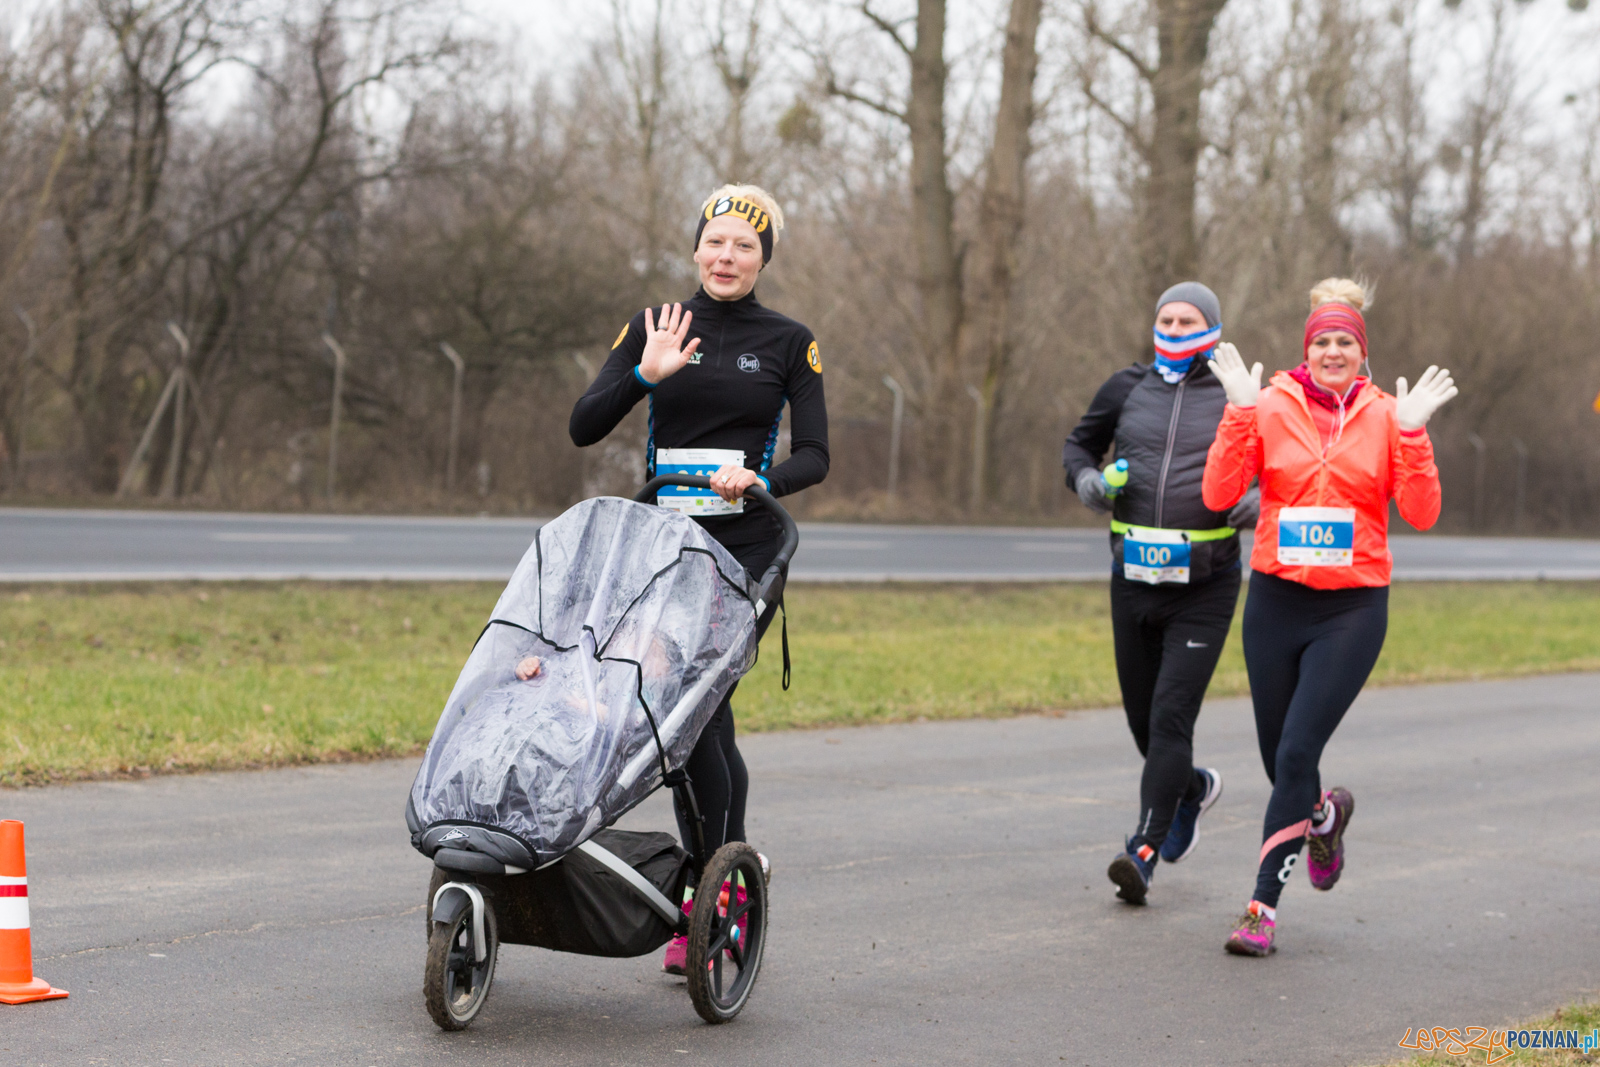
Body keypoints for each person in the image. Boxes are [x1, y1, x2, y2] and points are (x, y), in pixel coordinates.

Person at [569, 183, 828, 973]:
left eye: (745, 245)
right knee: (687, 727)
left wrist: (761, 480)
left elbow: (817, 455)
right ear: (695, 249)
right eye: (715, 241)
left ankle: (710, 902)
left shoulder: (790, 341)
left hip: (745, 551)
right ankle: (725, 881)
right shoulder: (655, 325)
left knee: (699, 715)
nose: (727, 255)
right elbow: (584, 425)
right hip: (662, 549)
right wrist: (644, 376)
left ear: (762, 259)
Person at [1202, 278, 1456, 956]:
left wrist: (1414, 433)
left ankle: (1260, 910)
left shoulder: (1387, 414)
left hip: (1351, 608)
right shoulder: (1268, 404)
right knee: (1279, 759)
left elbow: (1422, 513)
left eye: (1346, 341)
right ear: (1306, 349)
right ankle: (1321, 816)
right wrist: (1238, 413)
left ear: (1362, 352)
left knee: (1295, 753)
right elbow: (1219, 494)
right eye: (1323, 342)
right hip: (1276, 601)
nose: (1334, 351)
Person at [1062, 281, 1258, 906]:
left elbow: (1286, 464)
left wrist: (1260, 499)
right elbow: (1078, 446)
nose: (1174, 330)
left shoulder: (1237, 392)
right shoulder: (1126, 387)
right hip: (1132, 579)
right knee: (1143, 722)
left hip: (1205, 585)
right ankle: (1191, 789)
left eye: (1188, 321)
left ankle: (1142, 852)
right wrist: (1090, 482)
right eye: (1166, 320)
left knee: (1172, 716)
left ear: (1213, 329)